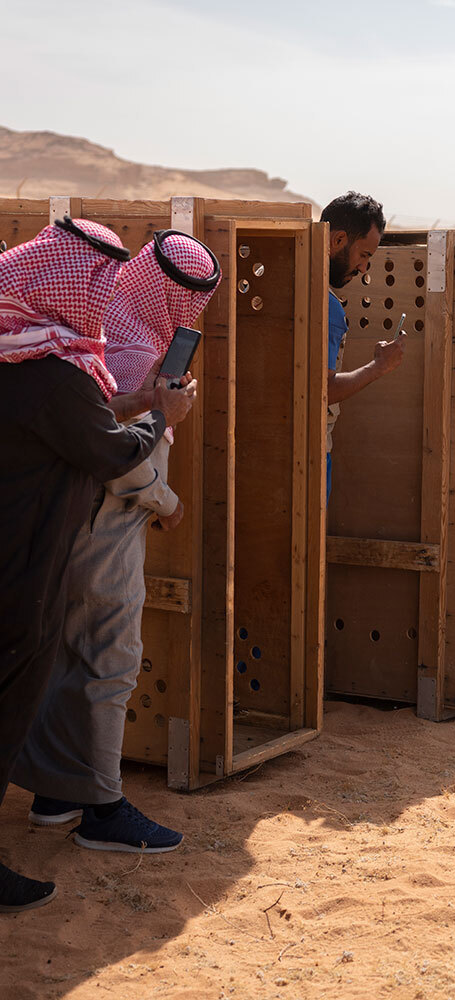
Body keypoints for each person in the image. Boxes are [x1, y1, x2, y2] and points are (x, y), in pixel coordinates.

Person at [0, 219, 192, 911]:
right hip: (49, 552)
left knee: (45, 673)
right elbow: (112, 455)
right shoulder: (55, 365)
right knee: (90, 671)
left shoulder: (26, 348)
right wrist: (163, 420)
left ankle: (59, 795)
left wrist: (136, 406)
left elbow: (85, 424)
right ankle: (97, 808)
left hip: (41, 545)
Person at [321, 192, 406, 497]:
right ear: (338, 240)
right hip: (312, 454)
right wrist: (379, 367)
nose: (364, 268)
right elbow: (324, 390)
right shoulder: (327, 308)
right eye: (364, 255)